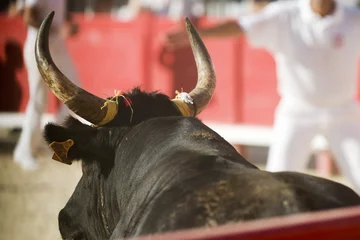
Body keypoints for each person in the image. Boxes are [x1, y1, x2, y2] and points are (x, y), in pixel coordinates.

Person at [165, 0, 360, 194]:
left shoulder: (353, 18)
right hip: (297, 112)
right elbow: (242, 26)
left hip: (343, 113)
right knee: (276, 185)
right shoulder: (285, 15)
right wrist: (201, 34)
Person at [12, 0, 80, 170]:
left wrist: (68, 24)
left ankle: (53, 137)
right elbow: (28, 17)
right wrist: (58, 29)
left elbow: (59, 13)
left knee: (76, 93)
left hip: (56, 47)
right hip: (39, 48)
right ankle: (24, 150)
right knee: (38, 101)